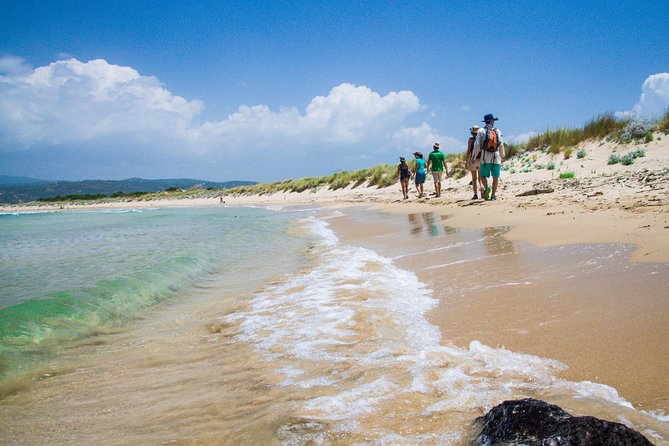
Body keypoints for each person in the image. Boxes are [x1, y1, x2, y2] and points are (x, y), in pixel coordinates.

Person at [472, 114, 505, 200]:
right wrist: (502, 155)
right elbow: (501, 143)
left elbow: (477, 145)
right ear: (491, 121)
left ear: (485, 122)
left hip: (485, 157)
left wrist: (474, 156)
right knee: (495, 177)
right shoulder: (497, 131)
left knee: (482, 176)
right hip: (496, 157)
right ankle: (493, 195)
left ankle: (486, 188)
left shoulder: (481, 131)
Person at [465, 125, 482, 199]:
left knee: (474, 179)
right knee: (481, 178)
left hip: (473, 160)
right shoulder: (482, 139)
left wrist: (466, 162)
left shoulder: (470, 140)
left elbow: (468, 151)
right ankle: (482, 191)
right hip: (481, 159)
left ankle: (475, 194)